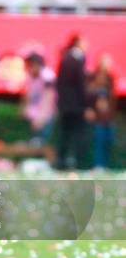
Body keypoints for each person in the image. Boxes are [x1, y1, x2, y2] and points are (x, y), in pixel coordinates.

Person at [55, 35, 88, 169]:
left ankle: (61, 161)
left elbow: (59, 84)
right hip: (76, 105)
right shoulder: (77, 59)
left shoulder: (64, 59)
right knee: (79, 134)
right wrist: (86, 104)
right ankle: (79, 163)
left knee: (64, 135)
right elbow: (81, 85)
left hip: (65, 105)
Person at [86, 54, 116, 169]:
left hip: (108, 117)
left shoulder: (111, 80)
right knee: (98, 141)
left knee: (108, 141)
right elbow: (88, 96)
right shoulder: (92, 79)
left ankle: (107, 164)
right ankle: (98, 164)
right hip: (97, 118)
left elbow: (112, 99)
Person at [22, 52, 56, 146]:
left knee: (43, 144)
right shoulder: (31, 76)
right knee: (33, 143)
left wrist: (41, 118)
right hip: (34, 114)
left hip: (46, 115)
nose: (28, 68)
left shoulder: (47, 75)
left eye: (30, 65)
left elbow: (48, 99)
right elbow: (29, 94)